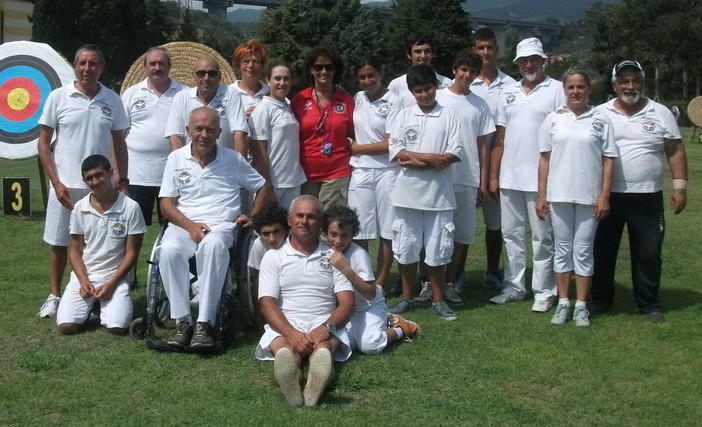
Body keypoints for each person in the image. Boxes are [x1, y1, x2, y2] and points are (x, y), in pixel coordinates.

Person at [158, 107, 270, 349]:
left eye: (210, 129)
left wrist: (253, 216)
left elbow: (262, 186)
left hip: (221, 225)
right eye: (198, 129)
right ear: (188, 131)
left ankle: (205, 322)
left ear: (219, 132)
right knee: (167, 250)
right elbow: (166, 204)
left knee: (214, 244)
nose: (204, 134)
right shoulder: (175, 159)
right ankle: (183, 321)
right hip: (184, 225)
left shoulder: (233, 159)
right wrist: (190, 226)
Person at [591, 60, 688, 323]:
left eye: (635, 80)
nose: (630, 86)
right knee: (602, 249)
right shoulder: (600, 113)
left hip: (648, 196)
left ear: (642, 83)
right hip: (607, 195)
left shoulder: (661, 113)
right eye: (624, 81)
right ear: (614, 85)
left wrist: (680, 187)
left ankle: (649, 304)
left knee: (648, 250)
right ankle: (600, 298)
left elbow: (675, 150)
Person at [37, 44, 130, 319]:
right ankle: (54, 296)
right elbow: (43, 144)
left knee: (102, 244)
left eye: (93, 64)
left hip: (101, 187)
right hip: (65, 185)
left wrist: (121, 179)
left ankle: (99, 295)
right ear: (75, 66)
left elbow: (119, 143)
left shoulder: (112, 99)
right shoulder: (58, 97)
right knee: (59, 242)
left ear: (101, 67)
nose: (87, 69)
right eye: (82, 63)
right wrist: (56, 182)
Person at [535, 69, 618, 327]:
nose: (576, 92)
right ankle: (563, 303)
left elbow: (608, 160)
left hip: (588, 197)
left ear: (588, 89)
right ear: (564, 90)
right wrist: (542, 195)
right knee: (561, 250)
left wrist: (604, 195)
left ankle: (581, 306)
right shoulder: (553, 119)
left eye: (581, 87)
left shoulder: (600, 119)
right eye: (571, 87)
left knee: (582, 251)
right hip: (559, 196)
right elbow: (545, 159)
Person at [255, 195, 355, 407]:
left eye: (311, 216)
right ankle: (294, 375)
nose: (304, 221)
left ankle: (316, 379)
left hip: (325, 322)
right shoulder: (274, 257)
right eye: (299, 215)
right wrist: (291, 334)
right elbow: (267, 303)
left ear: (320, 223)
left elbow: (347, 303)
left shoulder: (333, 256)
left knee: (324, 349)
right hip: (286, 324)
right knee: (285, 350)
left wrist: (327, 327)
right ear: (289, 220)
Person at [488, 37, 565, 312]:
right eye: (524, 60)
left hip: (541, 179)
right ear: (518, 64)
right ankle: (514, 286)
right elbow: (500, 137)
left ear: (543, 60)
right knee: (511, 235)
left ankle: (544, 291)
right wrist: (494, 176)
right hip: (510, 177)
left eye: (534, 59)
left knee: (543, 237)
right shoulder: (507, 92)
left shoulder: (556, 90)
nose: (529, 64)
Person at [385, 64, 462, 321]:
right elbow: (398, 153)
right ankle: (407, 298)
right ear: (411, 91)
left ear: (436, 87)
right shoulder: (404, 116)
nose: (424, 95)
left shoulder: (450, 115)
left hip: (439, 196)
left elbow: (453, 153)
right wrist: (429, 158)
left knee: (438, 248)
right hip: (408, 194)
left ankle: (438, 300)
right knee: (406, 247)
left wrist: (418, 159)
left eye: (428, 88)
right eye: (418, 91)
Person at [430, 49, 495, 306]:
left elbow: (482, 146)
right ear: (455, 70)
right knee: (436, 231)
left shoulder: (480, 105)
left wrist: (482, 180)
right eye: (463, 70)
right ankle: (430, 283)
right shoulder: (438, 97)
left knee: (460, 234)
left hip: (467, 177)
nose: (466, 75)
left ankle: (449, 282)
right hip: (439, 174)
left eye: (472, 71)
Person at [55, 155, 146, 335]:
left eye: (99, 175)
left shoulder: (131, 207)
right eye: (89, 178)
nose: (95, 182)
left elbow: (132, 253)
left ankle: (101, 305)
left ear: (111, 173)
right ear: (84, 181)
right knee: (67, 327)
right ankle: (93, 304)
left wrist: (112, 284)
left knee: (117, 327)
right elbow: (74, 251)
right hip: (86, 276)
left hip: (116, 277)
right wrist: (83, 281)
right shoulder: (80, 208)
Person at [325, 205, 421, 355]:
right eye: (333, 234)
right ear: (325, 232)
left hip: (368, 307)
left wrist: (346, 269)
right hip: (346, 311)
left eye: (344, 235)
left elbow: (370, 292)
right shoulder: (324, 253)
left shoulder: (358, 255)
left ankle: (401, 328)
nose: (338, 240)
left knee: (370, 345)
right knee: (345, 344)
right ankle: (387, 321)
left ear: (353, 235)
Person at [470, 27, 518, 290]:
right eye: (480, 48)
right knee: (458, 224)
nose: (485, 53)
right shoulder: (464, 82)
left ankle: (492, 270)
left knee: (496, 224)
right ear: (474, 50)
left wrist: (493, 174)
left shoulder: (511, 85)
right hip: (466, 164)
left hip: (499, 165)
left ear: (497, 50)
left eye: (489, 47)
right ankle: (455, 274)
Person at [348, 56, 400, 289]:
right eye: (362, 77)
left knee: (388, 231)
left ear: (381, 74)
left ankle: (379, 284)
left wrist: (357, 148)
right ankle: (363, 280)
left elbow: (391, 144)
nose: (367, 81)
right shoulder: (357, 98)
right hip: (360, 171)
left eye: (371, 75)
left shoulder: (394, 100)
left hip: (388, 172)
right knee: (359, 230)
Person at [121, 46, 186, 226]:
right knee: (134, 229)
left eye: (161, 63)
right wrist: (120, 175)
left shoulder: (185, 93)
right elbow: (119, 135)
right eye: (152, 64)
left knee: (173, 227)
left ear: (169, 66)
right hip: (137, 175)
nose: (157, 68)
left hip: (172, 174)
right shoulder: (131, 94)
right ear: (144, 67)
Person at [291, 47, 354, 210]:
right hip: (306, 173)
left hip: (337, 172)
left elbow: (355, 134)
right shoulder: (299, 99)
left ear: (335, 70)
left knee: (331, 225)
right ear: (311, 70)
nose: (323, 71)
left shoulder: (346, 100)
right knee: (308, 223)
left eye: (329, 67)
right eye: (318, 67)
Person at [249, 60, 306, 209]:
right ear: (268, 80)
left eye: (286, 79)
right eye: (277, 78)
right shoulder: (263, 110)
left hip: (293, 181)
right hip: (275, 184)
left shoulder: (287, 104)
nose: (282, 83)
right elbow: (258, 150)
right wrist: (268, 186)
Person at [164, 56, 248, 155]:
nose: (206, 78)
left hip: (224, 165)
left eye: (212, 74)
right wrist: (179, 166)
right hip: (191, 165)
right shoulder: (181, 98)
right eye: (201, 73)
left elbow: (240, 134)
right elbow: (175, 137)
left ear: (219, 76)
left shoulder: (231, 95)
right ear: (193, 75)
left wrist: (238, 167)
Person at [248, 203, 290, 333]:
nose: (272, 239)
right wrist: (259, 318)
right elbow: (257, 282)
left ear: (287, 229)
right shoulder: (258, 245)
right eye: (266, 234)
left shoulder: (294, 242)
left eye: (276, 231)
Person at [387, 34, 453, 109]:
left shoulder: (448, 84)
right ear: (409, 55)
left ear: (432, 54)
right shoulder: (396, 85)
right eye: (418, 52)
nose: (423, 56)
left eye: (427, 51)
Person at [231, 39, 269, 121]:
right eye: (246, 61)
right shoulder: (228, 93)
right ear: (238, 65)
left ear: (262, 65)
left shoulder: (270, 93)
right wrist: (241, 119)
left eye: (255, 62)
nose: (251, 65)